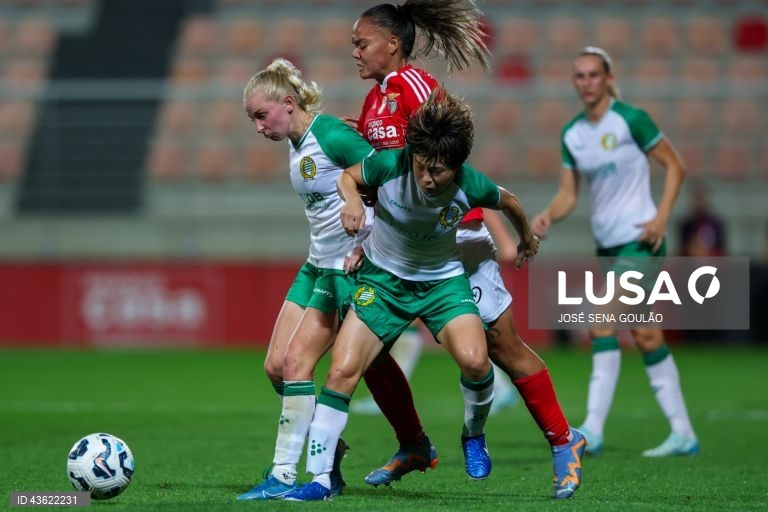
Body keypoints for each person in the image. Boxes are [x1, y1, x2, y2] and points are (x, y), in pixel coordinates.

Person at [282, 88, 586, 502]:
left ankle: (474, 435)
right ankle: (320, 479)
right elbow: (346, 176)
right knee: (342, 371)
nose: (427, 178)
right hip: (384, 283)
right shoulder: (392, 161)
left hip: (444, 282)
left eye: (438, 172)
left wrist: (527, 238)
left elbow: (510, 202)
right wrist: (351, 202)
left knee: (479, 361)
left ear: (457, 167)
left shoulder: (468, 182)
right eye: (423, 167)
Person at [343, 1, 577, 489]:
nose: (355, 52)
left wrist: (501, 231)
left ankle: (561, 438)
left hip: (456, 240)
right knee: (366, 348)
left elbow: (454, 166)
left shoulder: (417, 90)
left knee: (498, 347)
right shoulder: (375, 101)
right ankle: (413, 444)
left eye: (361, 43)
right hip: (402, 248)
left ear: (393, 42)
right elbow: (384, 179)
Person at [235, 58, 393, 500]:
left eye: (261, 115)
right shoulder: (298, 136)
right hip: (315, 263)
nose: (258, 127)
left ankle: (285, 474)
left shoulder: (331, 135)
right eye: (252, 119)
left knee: (298, 364)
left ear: (288, 103)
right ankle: (327, 444)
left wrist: (368, 241)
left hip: (347, 267)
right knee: (275, 367)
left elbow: (390, 182)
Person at [531, 46, 699, 457]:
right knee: (645, 333)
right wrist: (548, 215)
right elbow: (570, 193)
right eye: (579, 76)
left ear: (607, 78)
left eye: (593, 74)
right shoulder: (572, 134)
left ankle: (593, 428)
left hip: (640, 242)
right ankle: (683, 433)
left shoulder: (631, 119)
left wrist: (661, 217)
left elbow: (676, 166)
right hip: (608, 246)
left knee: (600, 318)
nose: (586, 82)